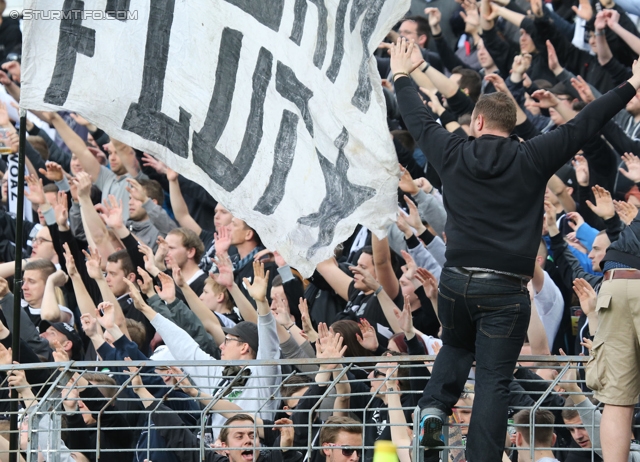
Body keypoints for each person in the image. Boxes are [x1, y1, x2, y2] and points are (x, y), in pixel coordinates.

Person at [389, 36, 640, 461]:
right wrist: (631, 86)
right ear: (508, 123)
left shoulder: (452, 151)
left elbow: (417, 119)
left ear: (479, 123)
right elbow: (586, 122)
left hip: (455, 281)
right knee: (492, 381)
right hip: (506, 289)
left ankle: (432, 408)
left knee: (454, 347)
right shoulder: (534, 155)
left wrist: (402, 74)